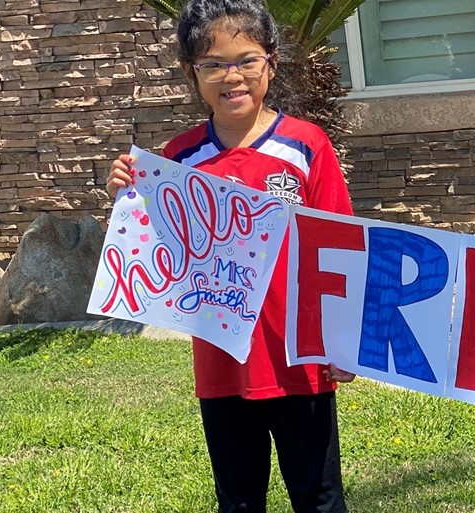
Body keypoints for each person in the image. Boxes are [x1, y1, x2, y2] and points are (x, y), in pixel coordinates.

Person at [105, 1, 354, 511]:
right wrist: (126, 195)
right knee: (238, 500)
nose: (232, 76)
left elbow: (342, 248)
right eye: (213, 64)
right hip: (222, 362)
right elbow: (154, 252)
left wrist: (342, 342)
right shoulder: (176, 159)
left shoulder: (308, 147)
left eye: (247, 60)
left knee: (320, 498)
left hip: (300, 358)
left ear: (272, 64)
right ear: (191, 73)